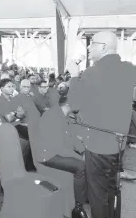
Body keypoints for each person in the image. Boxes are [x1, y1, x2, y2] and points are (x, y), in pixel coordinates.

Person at [67, 31, 136, 218]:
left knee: (98, 196)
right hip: (119, 145)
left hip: (97, 146)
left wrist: (74, 77)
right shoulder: (128, 69)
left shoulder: (92, 72)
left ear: (104, 47)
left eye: (92, 44)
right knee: (112, 189)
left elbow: (74, 105)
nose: (89, 47)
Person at [37, 90, 88, 218]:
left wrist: (83, 150)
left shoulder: (65, 116)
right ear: (68, 104)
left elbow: (72, 137)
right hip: (48, 155)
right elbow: (58, 148)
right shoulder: (51, 116)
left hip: (59, 152)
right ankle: (77, 208)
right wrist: (79, 157)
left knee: (88, 157)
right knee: (81, 166)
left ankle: (83, 193)